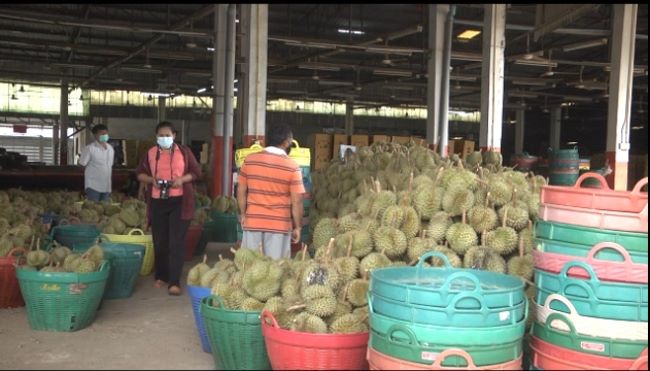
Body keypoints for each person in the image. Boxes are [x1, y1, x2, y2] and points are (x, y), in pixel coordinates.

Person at [136, 121, 202, 296]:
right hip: (158, 201)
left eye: (168, 135)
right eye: (161, 135)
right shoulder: (150, 153)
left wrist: (182, 179)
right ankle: (161, 276)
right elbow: (140, 173)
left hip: (180, 202)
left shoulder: (184, 152)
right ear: (156, 137)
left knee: (176, 242)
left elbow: (197, 172)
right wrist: (152, 181)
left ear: (174, 135)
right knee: (160, 241)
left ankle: (174, 281)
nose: (164, 138)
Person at [237, 124, 305, 260]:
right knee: (275, 270)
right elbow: (297, 201)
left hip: (253, 222)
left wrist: (243, 214)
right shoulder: (292, 167)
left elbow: (241, 191)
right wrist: (298, 227)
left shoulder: (250, 161)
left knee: (250, 267)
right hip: (279, 226)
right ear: (286, 142)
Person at [78, 124, 114, 202]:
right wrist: (92, 172)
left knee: (105, 210)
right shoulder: (89, 148)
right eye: (102, 134)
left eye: (106, 134)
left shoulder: (110, 149)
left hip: (106, 186)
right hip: (93, 186)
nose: (104, 135)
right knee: (93, 209)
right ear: (95, 135)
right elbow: (81, 164)